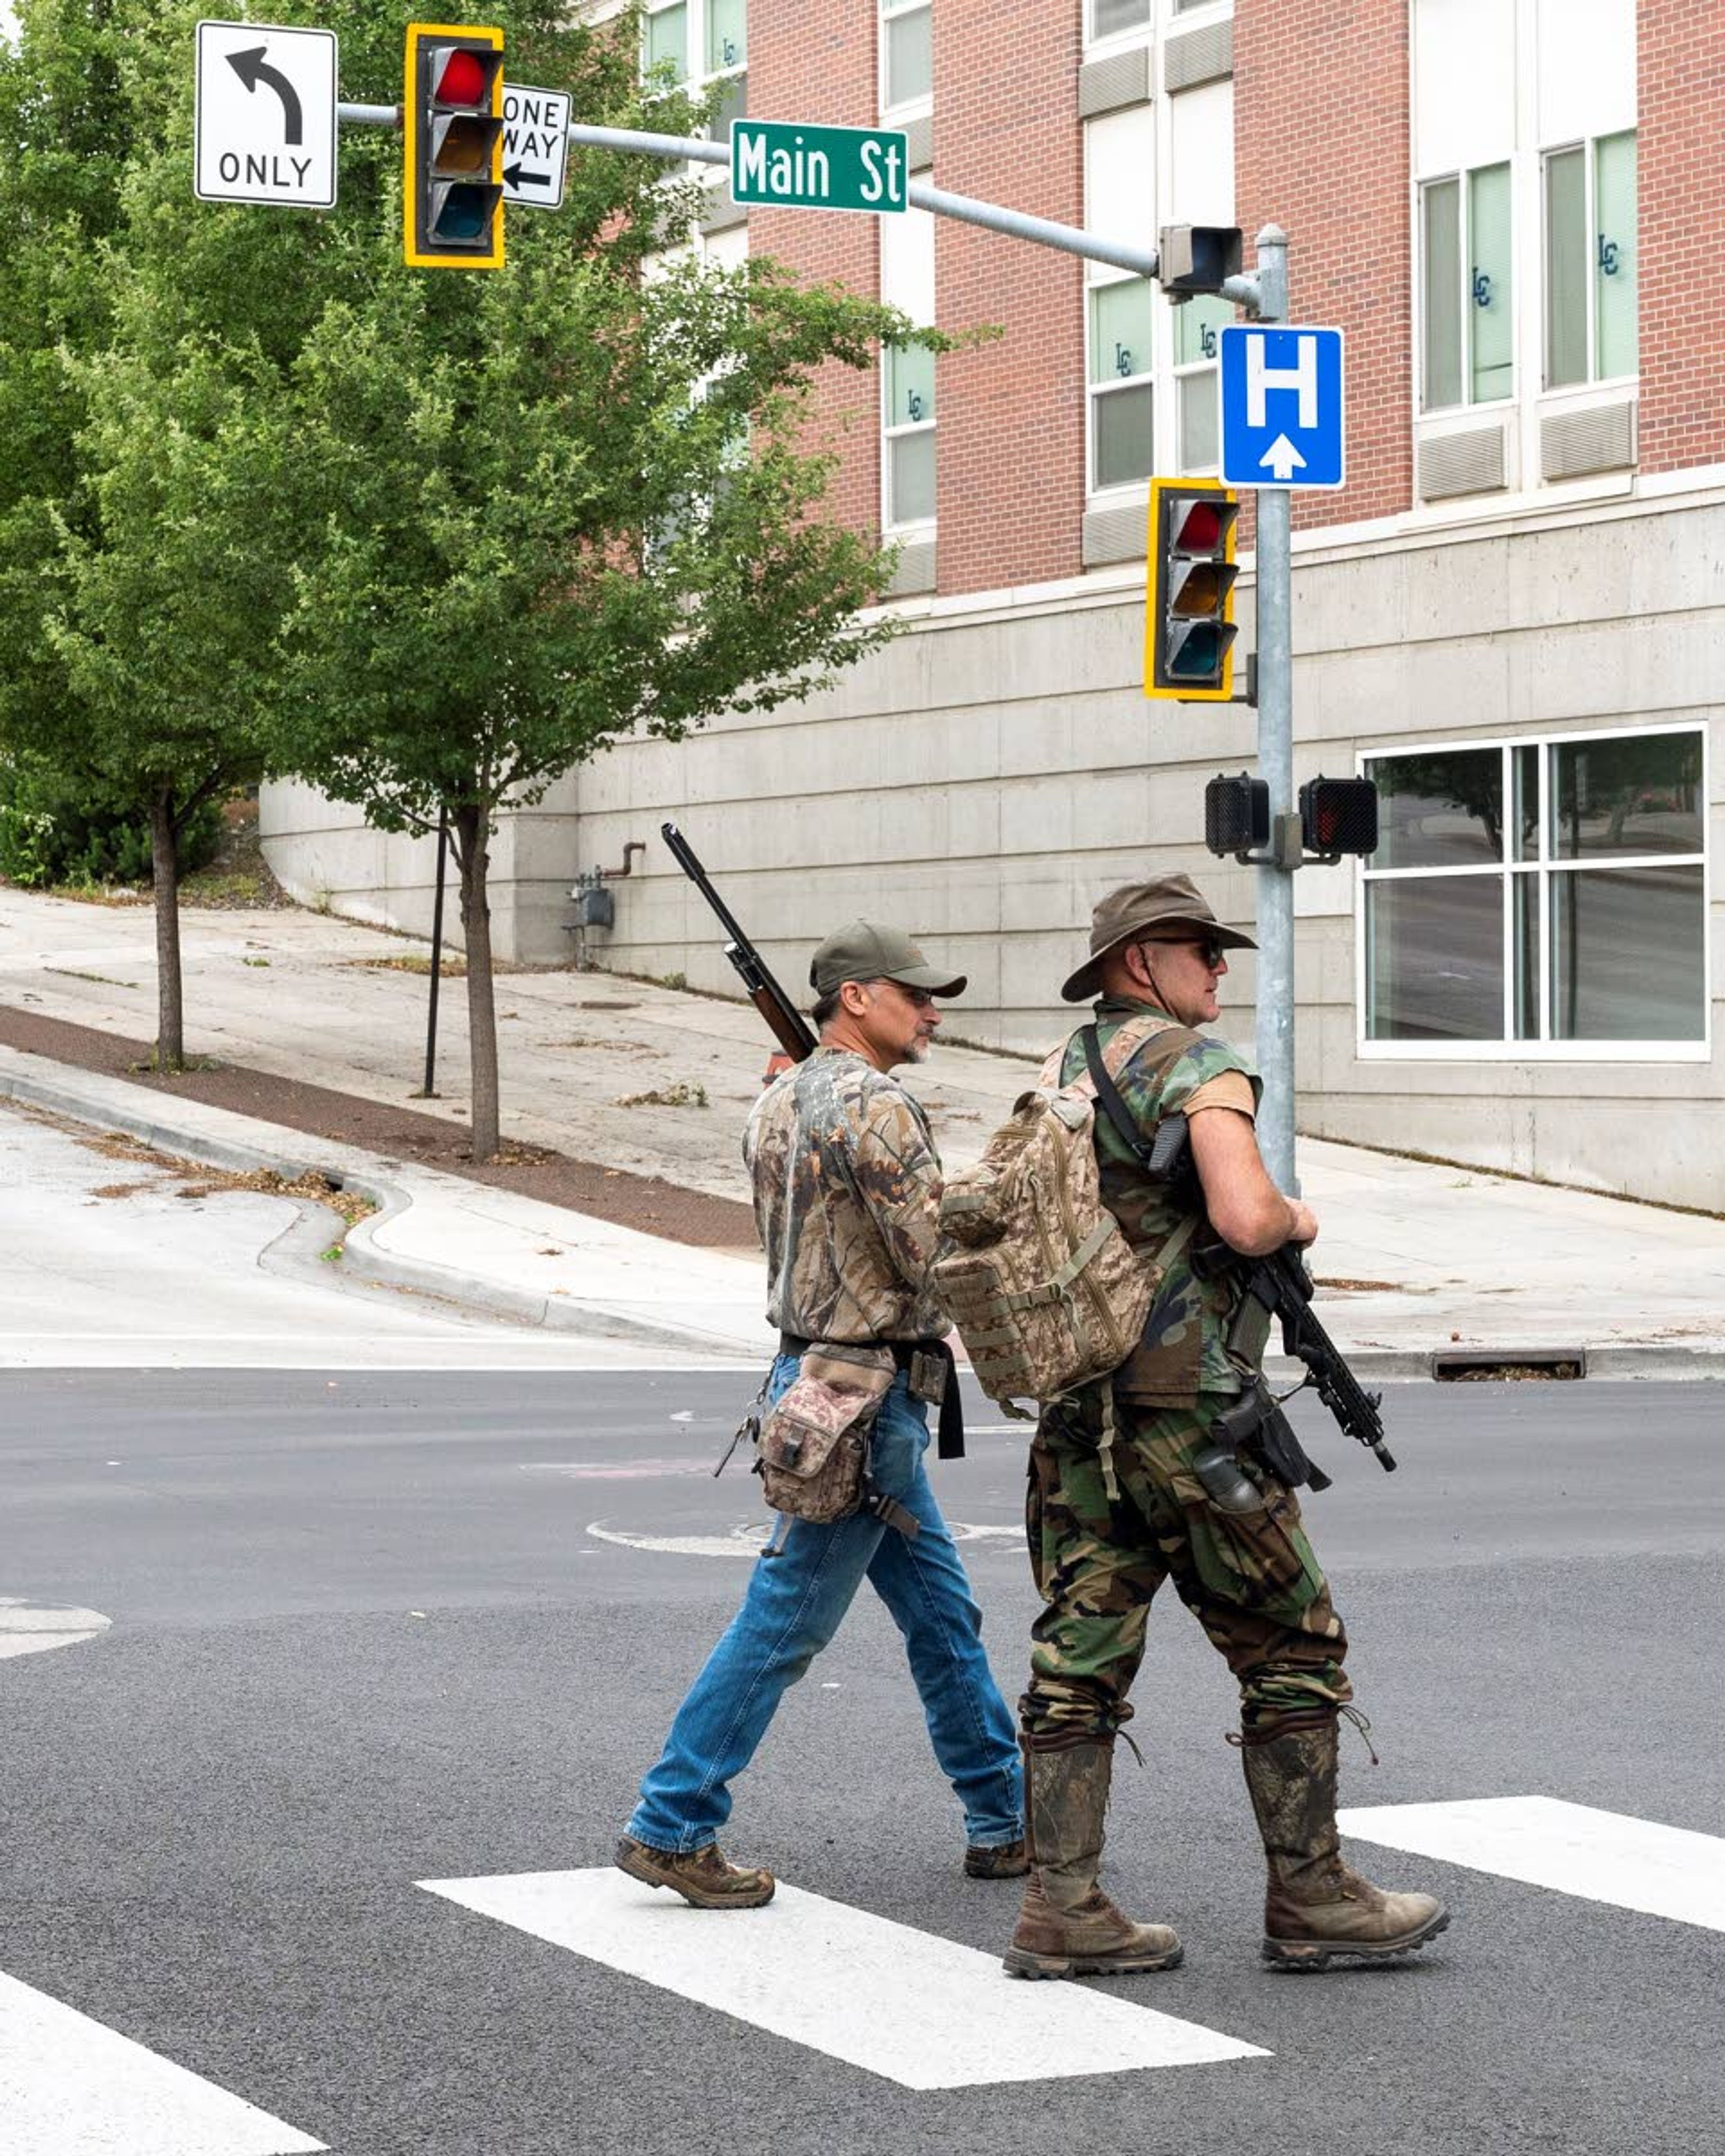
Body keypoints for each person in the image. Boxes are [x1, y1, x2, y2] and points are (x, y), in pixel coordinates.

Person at [1005, 874, 1447, 1979]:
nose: (1220, 966)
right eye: (1200, 948)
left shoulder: (1062, 1070)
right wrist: (1299, 1213)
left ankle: (1063, 1907)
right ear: (1139, 961)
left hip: (1081, 1412)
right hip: (1190, 1420)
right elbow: (1247, 1217)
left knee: (1079, 1658)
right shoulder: (1202, 1067)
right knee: (1293, 1646)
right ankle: (1312, 1898)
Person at [617, 920, 1025, 1908]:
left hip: (815, 1380)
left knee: (942, 1614)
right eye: (913, 992)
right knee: (787, 1617)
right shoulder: (874, 1103)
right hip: (867, 1399)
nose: (932, 1010)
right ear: (854, 998)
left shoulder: (776, 1100)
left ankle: (1006, 1817)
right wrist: (1030, 1147)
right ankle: (671, 1822)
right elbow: (937, 1247)